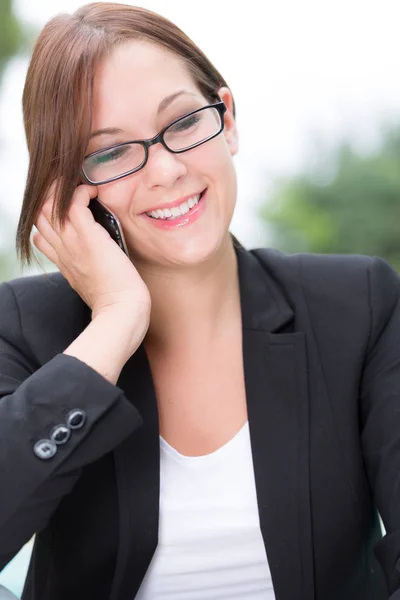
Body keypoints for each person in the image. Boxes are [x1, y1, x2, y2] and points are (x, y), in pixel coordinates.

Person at [0, 2, 400, 599]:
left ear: (228, 118)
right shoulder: (25, 327)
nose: (163, 171)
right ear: (68, 191)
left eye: (184, 122)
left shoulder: (359, 304)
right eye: (110, 152)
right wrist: (114, 323)